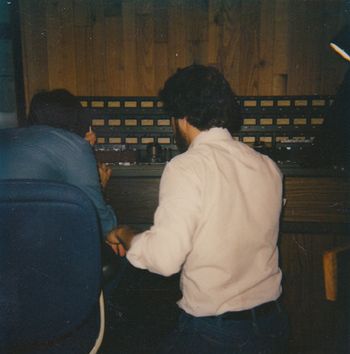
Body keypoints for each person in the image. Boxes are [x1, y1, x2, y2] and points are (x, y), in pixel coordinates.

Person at [107, 64, 289, 353]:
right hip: (271, 326)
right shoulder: (268, 166)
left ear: (180, 117)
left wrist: (125, 233)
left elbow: (164, 259)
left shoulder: (186, 167)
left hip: (215, 334)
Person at [0, 89, 120, 252]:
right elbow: (99, 220)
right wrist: (101, 187)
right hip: (36, 247)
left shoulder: (8, 137)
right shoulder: (73, 145)